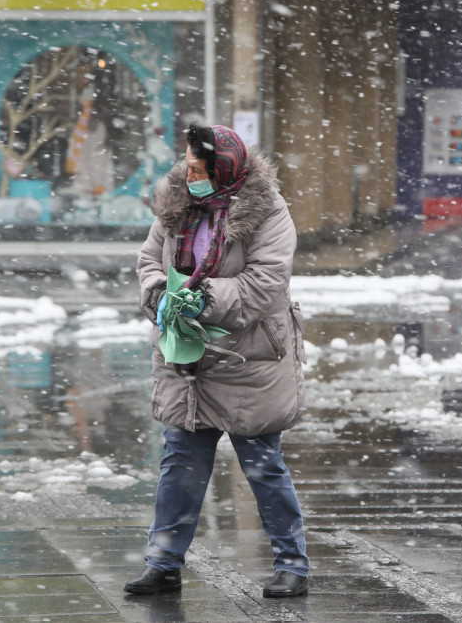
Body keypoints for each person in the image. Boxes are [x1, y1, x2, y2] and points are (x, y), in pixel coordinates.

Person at [126, 124, 310, 598]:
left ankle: (292, 564)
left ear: (223, 169)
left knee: (263, 466)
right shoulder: (176, 202)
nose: (188, 176)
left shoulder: (266, 210)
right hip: (186, 358)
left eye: (198, 169)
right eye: (187, 166)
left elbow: (265, 282)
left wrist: (202, 299)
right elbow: (150, 260)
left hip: (249, 356)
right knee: (180, 465)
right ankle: (163, 563)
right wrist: (159, 294)